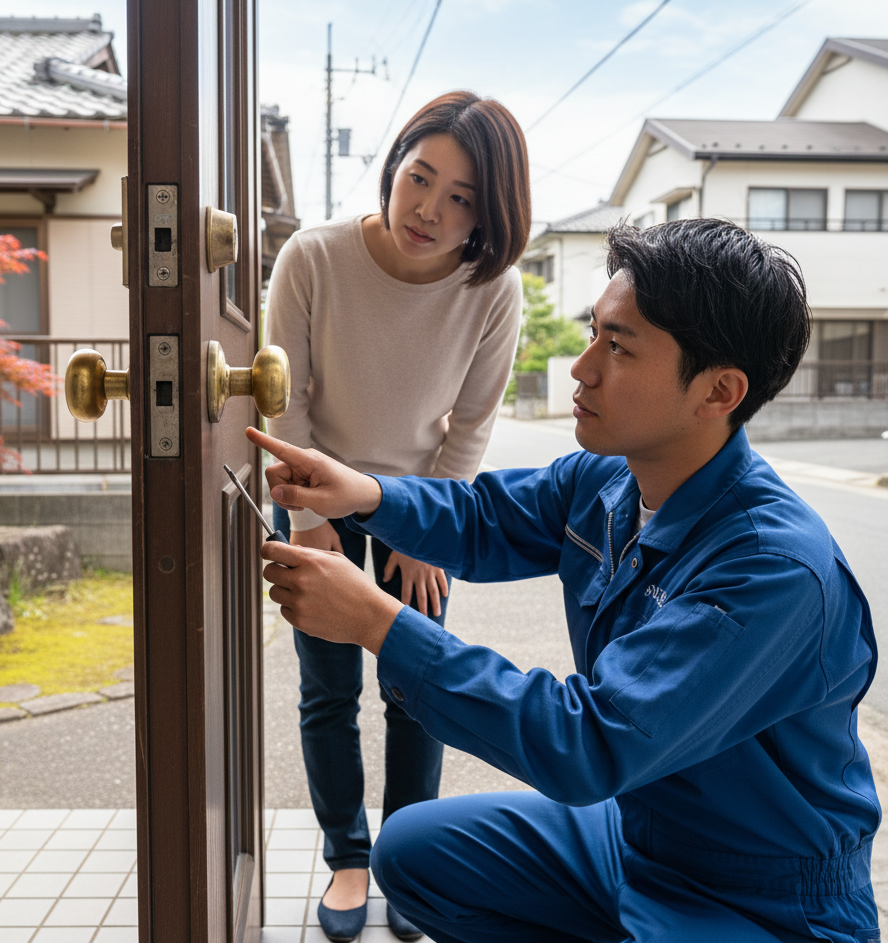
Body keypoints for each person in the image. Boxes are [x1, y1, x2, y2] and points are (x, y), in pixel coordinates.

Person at [251, 217, 881, 943]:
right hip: (637, 828)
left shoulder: (771, 569)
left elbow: (588, 742)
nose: (581, 368)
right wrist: (365, 494)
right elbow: (485, 518)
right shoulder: (609, 477)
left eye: (618, 347)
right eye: (593, 334)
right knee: (415, 854)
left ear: (718, 392)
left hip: (757, 893)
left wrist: (376, 623)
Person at [263, 91, 530, 941]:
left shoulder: (492, 289)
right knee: (328, 691)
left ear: (489, 215)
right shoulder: (314, 256)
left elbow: (471, 424)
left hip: (418, 506)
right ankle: (348, 857)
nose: (429, 210)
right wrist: (309, 522)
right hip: (313, 495)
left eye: (461, 198)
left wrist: (429, 530)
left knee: (418, 690)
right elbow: (284, 399)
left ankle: (410, 864)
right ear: (396, 166)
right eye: (420, 177)